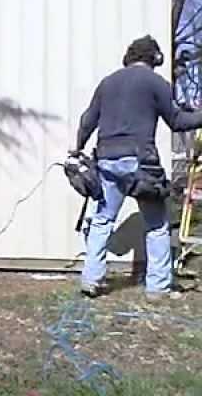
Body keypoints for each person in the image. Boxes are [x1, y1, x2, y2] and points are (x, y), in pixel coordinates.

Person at [73, 35, 202, 301]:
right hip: (139, 162)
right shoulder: (156, 83)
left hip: (106, 160)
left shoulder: (107, 83)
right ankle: (157, 288)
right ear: (154, 59)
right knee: (156, 224)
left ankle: (91, 279)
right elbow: (177, 121)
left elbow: (87, 120)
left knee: (102, 219)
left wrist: (78, 148)